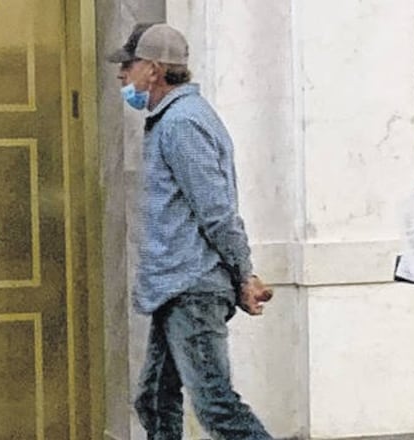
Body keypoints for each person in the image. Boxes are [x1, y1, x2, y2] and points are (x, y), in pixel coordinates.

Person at [109, 22, 274, 439]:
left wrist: (244, 273)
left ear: (153, 69)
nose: (121, 76)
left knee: (216, 405)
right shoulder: (174, 120)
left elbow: (217, 212)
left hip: (192, 287)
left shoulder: (182, 124)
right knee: (155, 400)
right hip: (177, 286)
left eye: (128, 66)